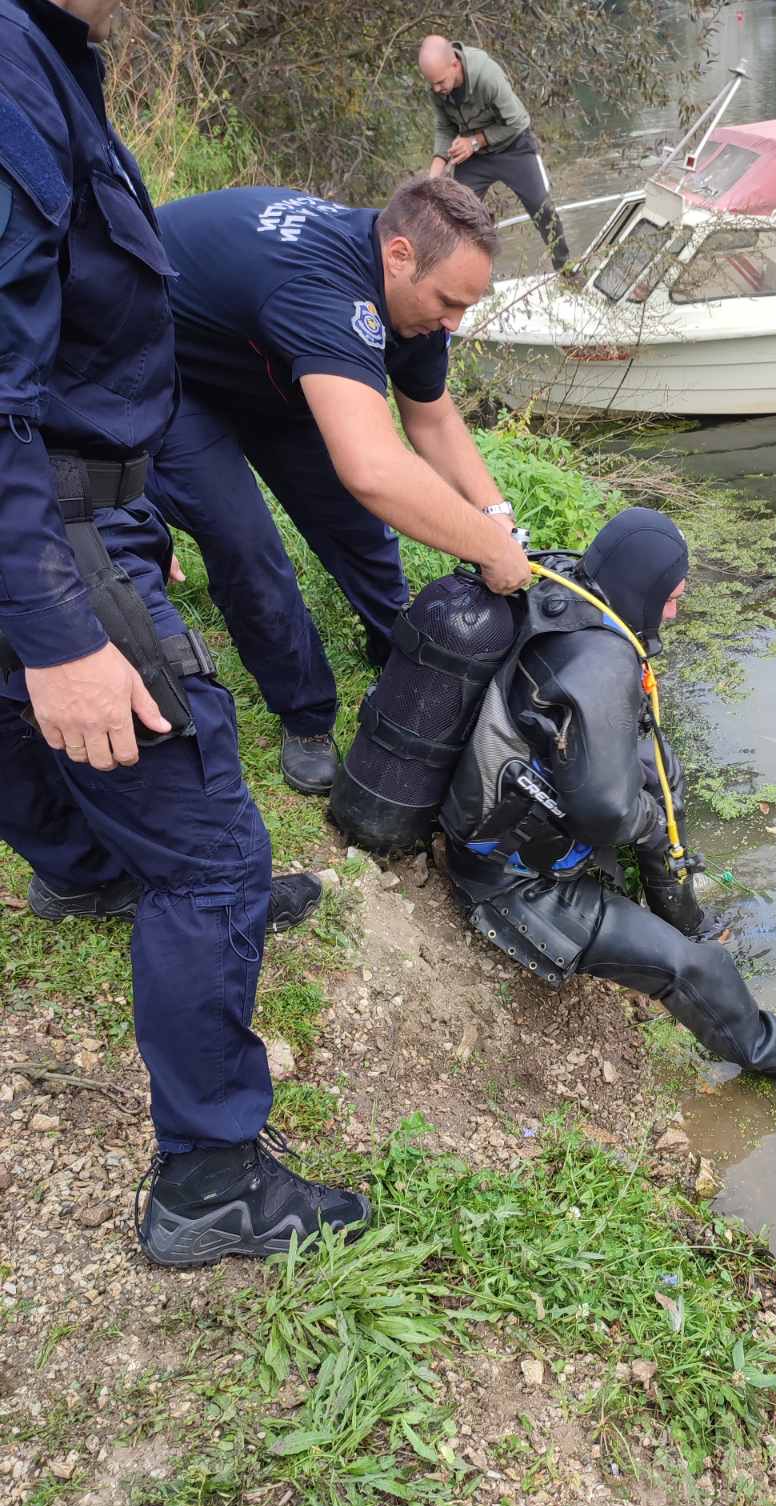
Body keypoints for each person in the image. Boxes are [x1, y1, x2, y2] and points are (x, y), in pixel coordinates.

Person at [0, 0, 368, 1263]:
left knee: (34, 747)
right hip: (51, 524)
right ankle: (210, 1182)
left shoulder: (52, 56)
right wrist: (55, 632)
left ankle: (83, 869)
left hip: (70, 499)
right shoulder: (7, 73)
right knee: (215, 860)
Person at [438, 510, 776, 1104]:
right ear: (643, 591)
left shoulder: (568, 595)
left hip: (501, 817)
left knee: (664, 777)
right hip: (510, 882)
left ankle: (685, 912)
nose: (675, 612)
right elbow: (604, 809)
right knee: (695, 969)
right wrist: (653, 825)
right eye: (672, 598)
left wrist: (657, 797)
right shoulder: (603, 664)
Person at [147, 177, 531, 795]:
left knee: (358, 530)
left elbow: (430, 417)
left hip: (274, 369)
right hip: (173, 372)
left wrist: (494, 512)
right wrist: (489, 549)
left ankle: (399, 655)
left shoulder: (416, 304)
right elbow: (374, 469)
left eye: (466, 306)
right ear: (399, 256)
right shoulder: (323, 292)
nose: (454, 322)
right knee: (246, 546)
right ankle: (305, 717)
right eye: (448, 302)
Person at [419, 34, 570, 274]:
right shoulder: (437, 87)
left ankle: (567, 270)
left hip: (514, 147)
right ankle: (480, 286)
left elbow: (518, 121)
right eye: (432, 84)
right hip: (475, 157)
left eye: (440, 82)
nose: (437, 89)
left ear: (455, 64)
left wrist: (474, 142)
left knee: (544, 208)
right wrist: (434, 175)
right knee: (459, 217)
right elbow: (444, 127)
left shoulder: (487, 76)